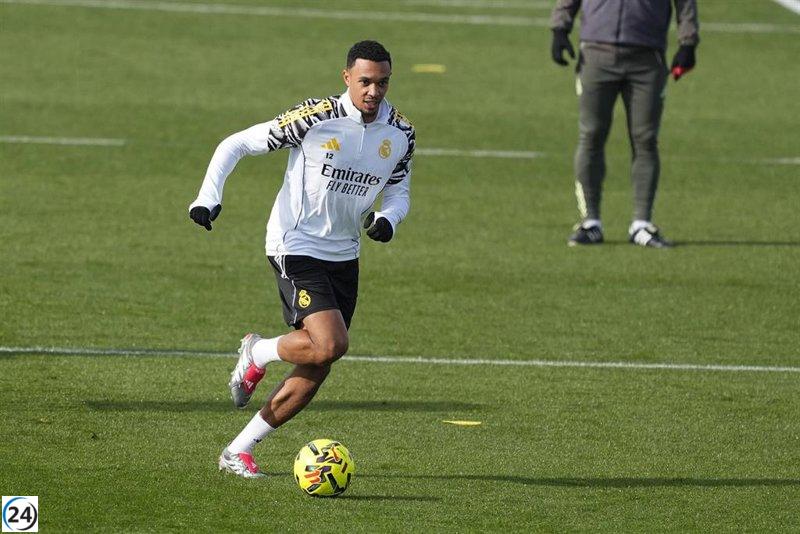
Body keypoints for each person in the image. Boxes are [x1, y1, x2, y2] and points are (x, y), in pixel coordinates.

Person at [188, 40, 415, 478]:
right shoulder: (314, 117)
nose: (374, 91)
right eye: (365, 81)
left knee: (319, 361)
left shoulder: (400, 132)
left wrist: (389, 218)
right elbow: (236, 143)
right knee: (330, 344)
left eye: (383, 82)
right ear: (347, 77)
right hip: (295, 244)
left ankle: (237, 450)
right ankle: (258, 351)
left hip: (345, 253)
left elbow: (399, 189)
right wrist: (207, 198)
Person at [549, 0, 699, 247]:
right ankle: (590, 222)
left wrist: (688, 42)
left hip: (647, 58)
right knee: (591, 135)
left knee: (645, 139)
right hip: (596, 54)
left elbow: (685, 3)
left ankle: (641, 224)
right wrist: (560, 28)